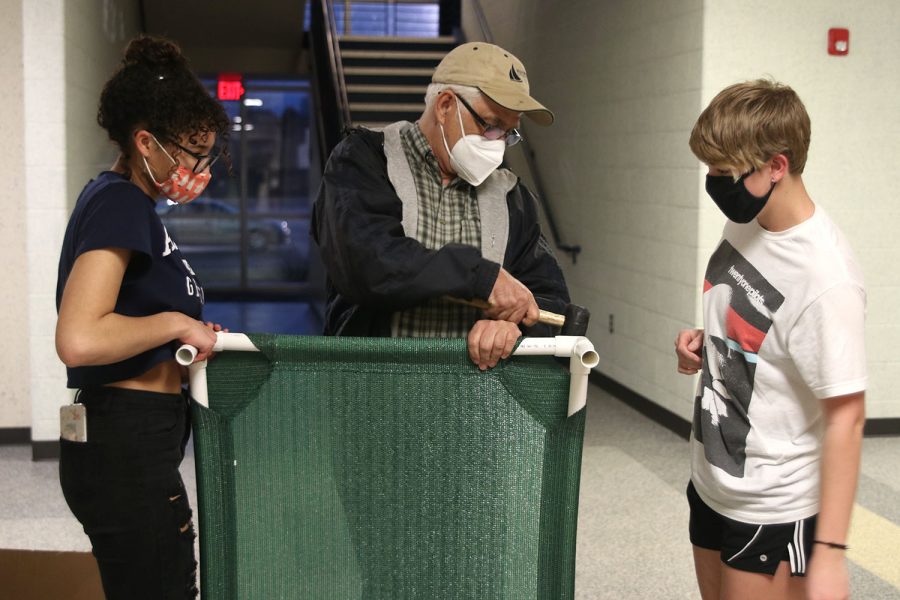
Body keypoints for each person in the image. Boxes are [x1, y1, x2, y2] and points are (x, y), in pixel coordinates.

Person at [674, 80, 866, 600]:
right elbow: (753, 321)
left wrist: (829, 552)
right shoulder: (748, 220)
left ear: (776, 166)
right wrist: (706, 341)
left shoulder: (826, 277)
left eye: (723, 172)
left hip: (772, 504)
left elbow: (847, 416)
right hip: (713, 480)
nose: (713, 183)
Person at [55, 35, 230, 599]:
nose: (200, 168)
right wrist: (177, 325)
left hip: (137, 440)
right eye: (191, 153)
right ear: (146, 143)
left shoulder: (132, 208)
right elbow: (79, 338)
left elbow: (127, 321)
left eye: (207, 155)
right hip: (122, 441)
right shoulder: (120, 202)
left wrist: (186, 339)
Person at [312, 42, 569, 369]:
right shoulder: (364, 160)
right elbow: (366, 264)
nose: (499, 145)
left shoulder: (512, 197)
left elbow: (553, 304)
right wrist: (481, 276)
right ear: (446, 105)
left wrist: (513, 325)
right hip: (370, 390)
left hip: (469, 404)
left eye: (509, 133)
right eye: (491, 126)